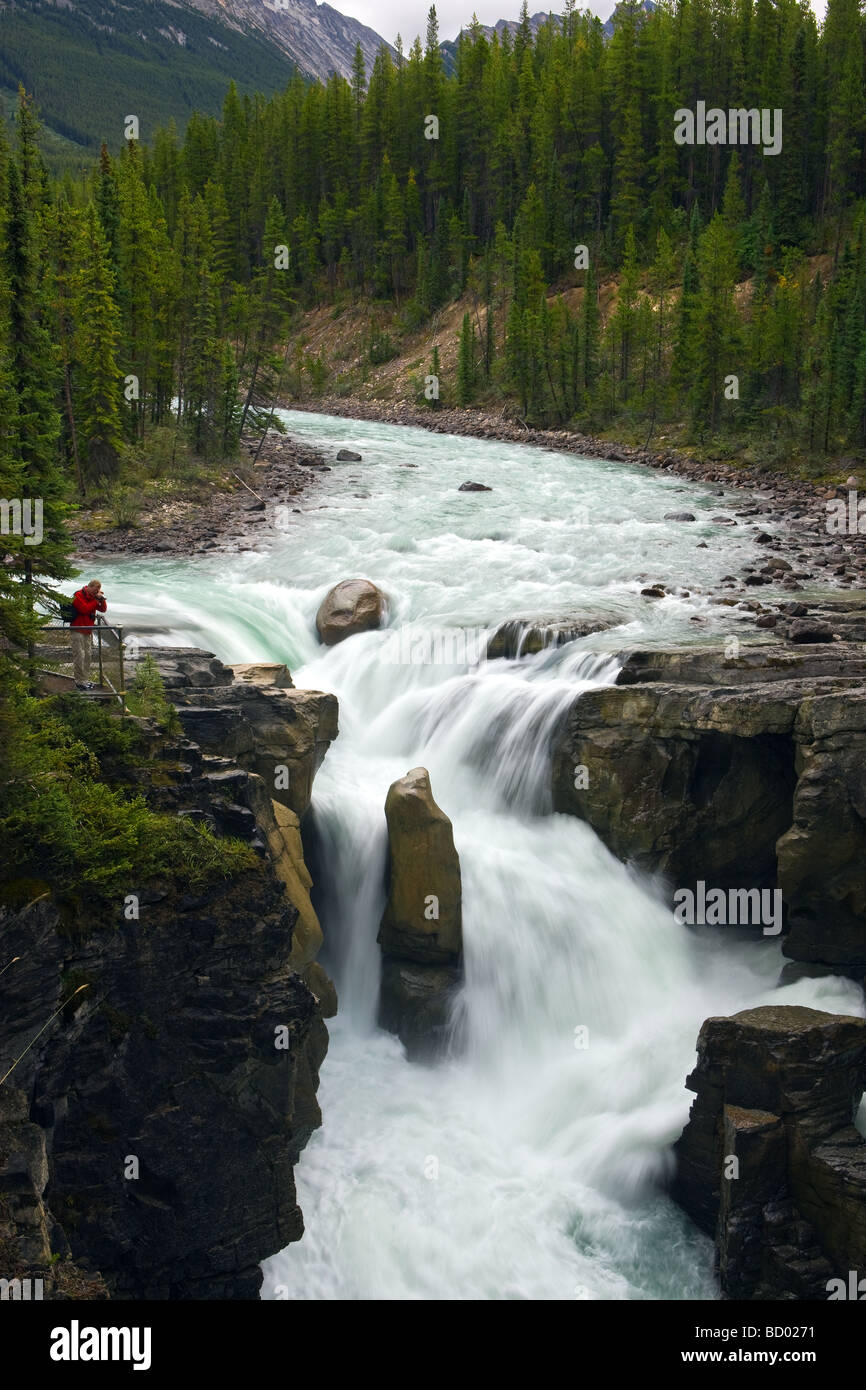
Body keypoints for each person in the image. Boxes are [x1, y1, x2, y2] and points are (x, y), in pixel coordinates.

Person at [70, 579, 107, 689]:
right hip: (77, 629)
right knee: (79, 656)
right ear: (89, 587)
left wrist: (102, 599)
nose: (95, 593)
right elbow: (84, 609)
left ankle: (84, 680)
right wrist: (96, 600)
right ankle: (79, 681)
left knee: (88, 656)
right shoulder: (78, 595)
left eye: (97, 591)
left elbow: (103, 609)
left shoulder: (93, 597)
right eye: (95, 591)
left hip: (88, 630)